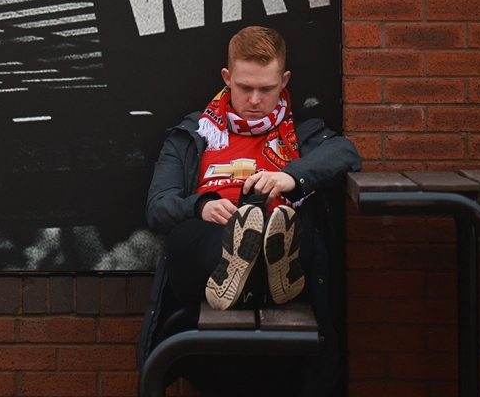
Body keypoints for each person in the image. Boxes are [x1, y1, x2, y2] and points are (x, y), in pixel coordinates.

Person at [137, 26, 360, 396]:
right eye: (245, 88)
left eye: (267, 89)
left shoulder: (304, 134)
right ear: (227, 78)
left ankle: (266, 264)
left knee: (290, 229)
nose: (255, 99)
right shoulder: (192, 134)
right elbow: (158, 206)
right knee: (185, 235)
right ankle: (240, 265)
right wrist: (201, 205)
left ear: (284, 80)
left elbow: (347, 153)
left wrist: (291, 178)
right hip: (210, 257)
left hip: (285, 251)